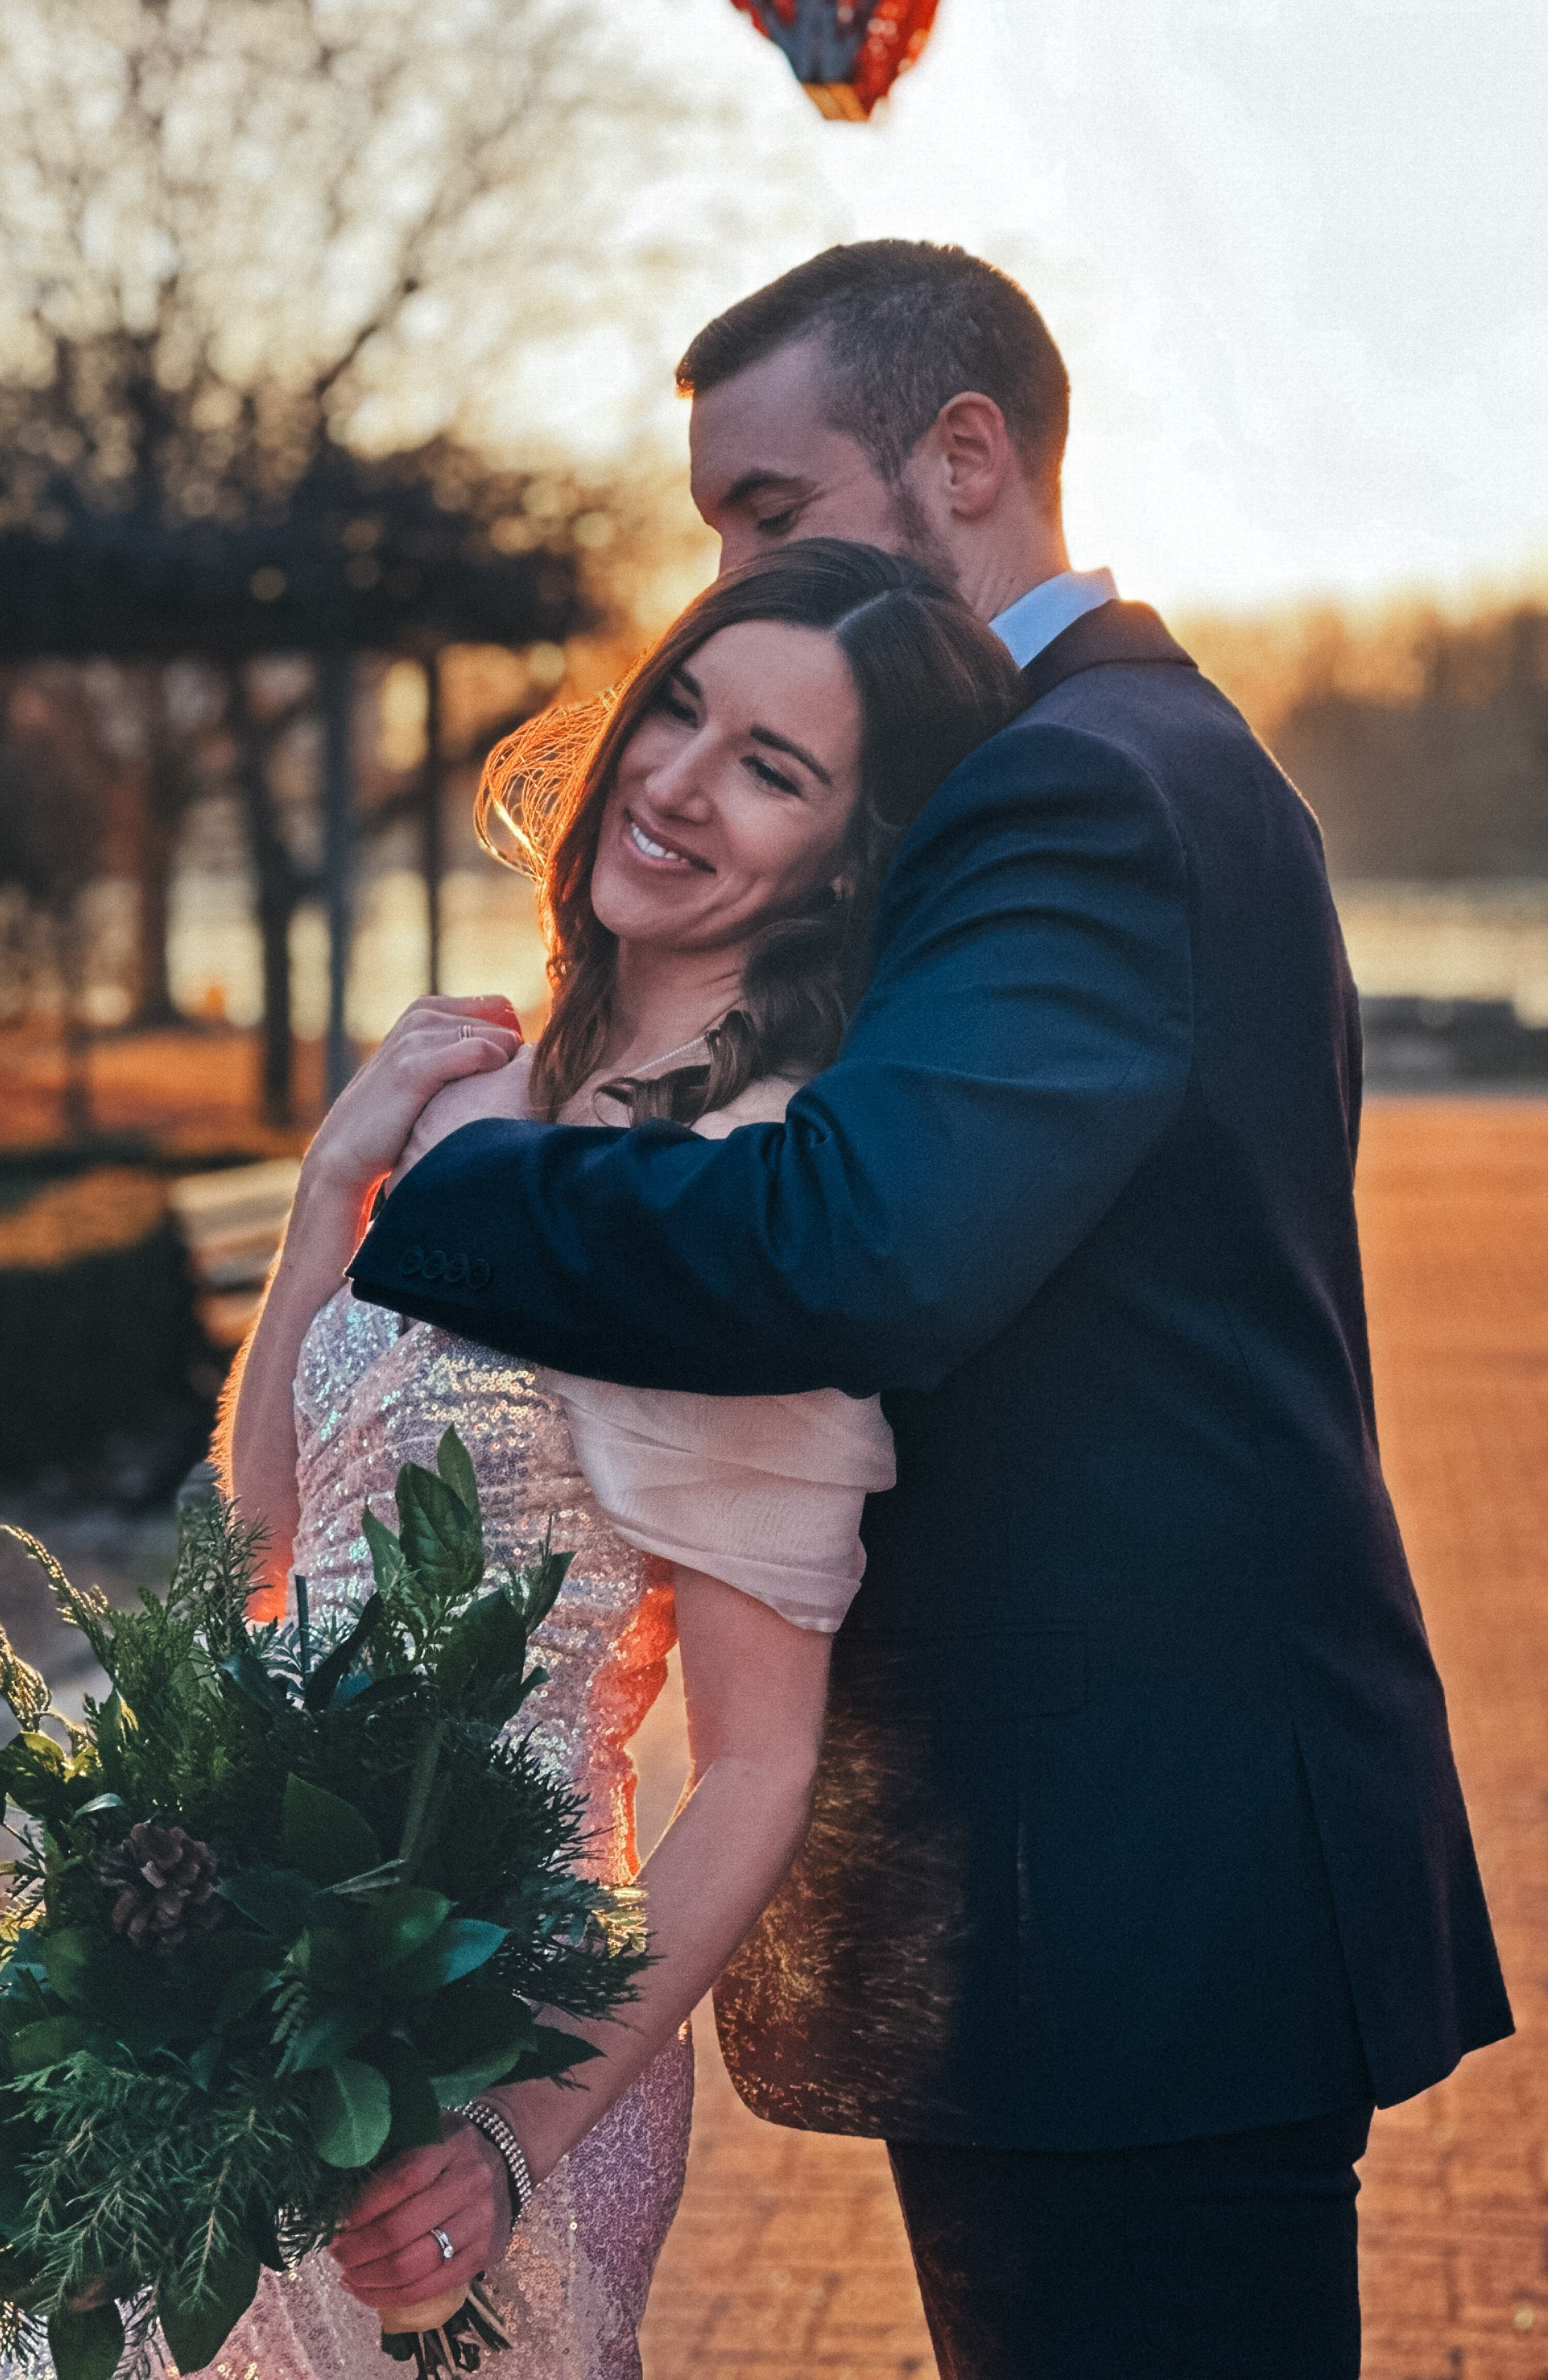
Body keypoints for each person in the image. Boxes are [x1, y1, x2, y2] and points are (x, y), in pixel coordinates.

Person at [341, 242, 1513, 2379]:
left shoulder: (1076, 783)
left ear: (962, 456)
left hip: (1125, 1908)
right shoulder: (1118, 762)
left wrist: (455, 1189)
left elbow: (858, 1237)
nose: (732, 580)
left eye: (771, 516)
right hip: (1111, 1901)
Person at [213, 538, 1020, 2380]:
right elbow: (248, 1564)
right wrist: (329, 1196)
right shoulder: (457, 1082)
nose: (671, 776)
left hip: (491, 2032)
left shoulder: (761, 1201)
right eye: (682, 705)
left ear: (844, 857)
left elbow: (756, 1766)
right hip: (231, 1984)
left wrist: (516, 2137)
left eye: (771, 768)